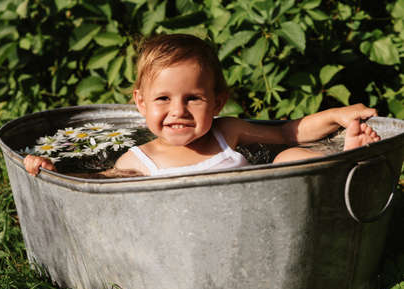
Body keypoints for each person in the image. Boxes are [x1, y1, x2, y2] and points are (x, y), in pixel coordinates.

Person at [24, 34, 380, 177]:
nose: (178, 110)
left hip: (262, 214)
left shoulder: (228, 131)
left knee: (288, 156)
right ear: (140, 102)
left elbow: (289, 131)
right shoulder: (138, 161)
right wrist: (55, 170)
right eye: (163, 99)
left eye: (193, 98)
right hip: (192, 239)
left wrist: (335, 114)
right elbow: (96, 184)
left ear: (217, 102)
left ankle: (343, 164)